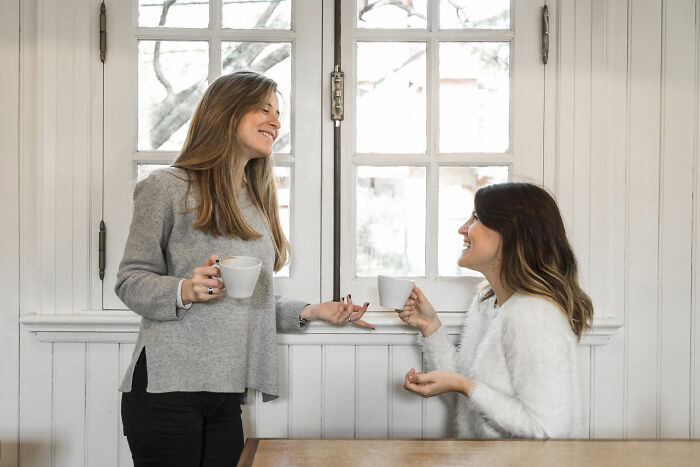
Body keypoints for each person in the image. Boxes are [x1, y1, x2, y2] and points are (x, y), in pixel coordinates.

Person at [116, 71, 373, 467]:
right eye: (263, 109)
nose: (275, 121)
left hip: (225, 394)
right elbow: (130, 280)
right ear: (225, 113)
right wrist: (185, 288)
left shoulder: (255, 200)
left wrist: (311, 311)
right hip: (165, 391)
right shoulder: (165, 187)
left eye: (278, 112)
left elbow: (245, 300)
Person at [397, 182, 593, 438]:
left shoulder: (534, 316)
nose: (462, 229)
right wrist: (431, 328)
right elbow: (473, 399)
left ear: (509, 234)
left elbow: (548, 430)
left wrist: (464, 386)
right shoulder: (489, 302)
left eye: (476, 218)